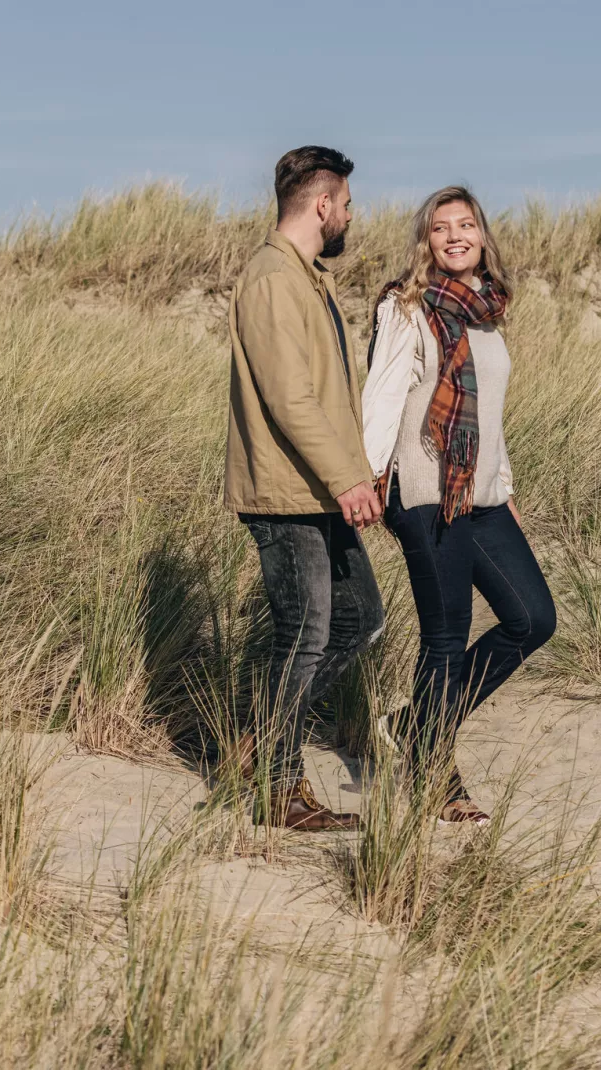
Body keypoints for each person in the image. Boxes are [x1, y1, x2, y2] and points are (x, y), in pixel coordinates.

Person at [361, 186, 556, 825]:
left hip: (483, 494)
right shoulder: (406, 305)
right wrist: (368, 479)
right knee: (444, 635)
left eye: (464, 225)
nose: (453, 236)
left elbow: (490, 418)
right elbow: (384, 396)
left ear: (481, 235)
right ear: (427, 239)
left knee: (532, 619)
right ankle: (434, 776)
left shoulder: (486, 313)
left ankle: (417, 723)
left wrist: (507, 487)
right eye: (441, 227)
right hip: (424, 490)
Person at [223, 146, 384, 831]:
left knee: (359, 619)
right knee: (305, 632)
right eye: (346, 204)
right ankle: (279, 790)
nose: (350, 215)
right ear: (322, 205)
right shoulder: (271, 280)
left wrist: (355, 476)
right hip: (286, 491)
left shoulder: (307, 278)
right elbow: (290, 398)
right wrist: (345, 476)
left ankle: (260, 743)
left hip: (320, 491)